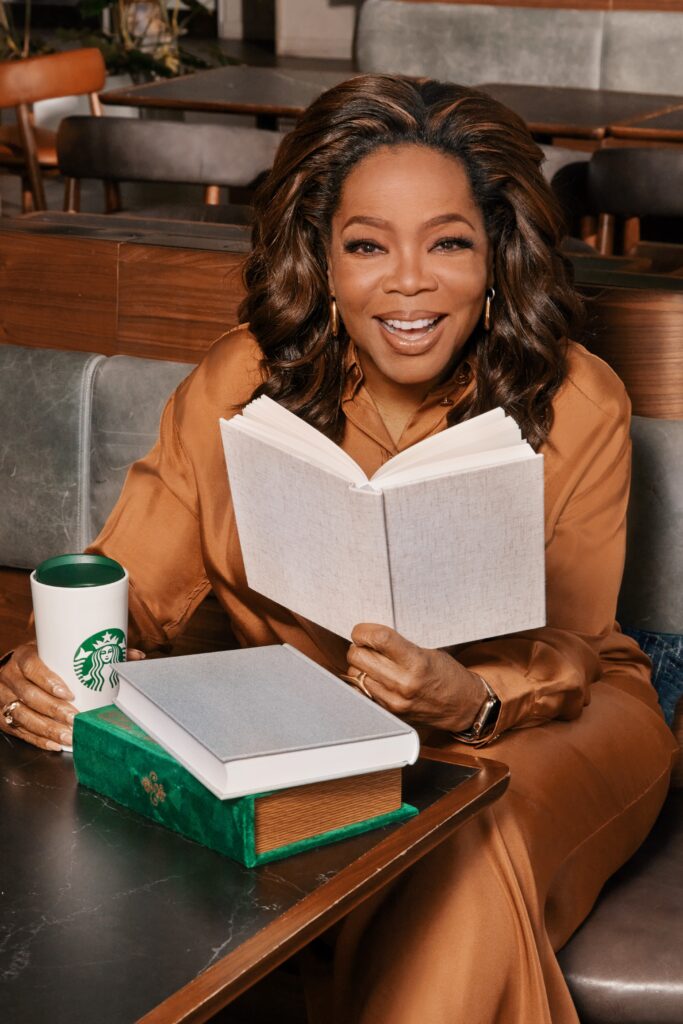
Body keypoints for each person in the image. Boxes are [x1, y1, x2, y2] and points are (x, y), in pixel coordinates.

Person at [0, 75, 677, 1022]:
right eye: (367, 245)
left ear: (495, 260)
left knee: (457, 848)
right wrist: (46, 666)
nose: (408, 280)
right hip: (319, 739)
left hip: (554, 724)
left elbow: (572, 648)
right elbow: (129, 594)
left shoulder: (575, 402)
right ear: (321, 259)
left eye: (448, 242)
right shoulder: (239, 382)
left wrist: (474, 699)